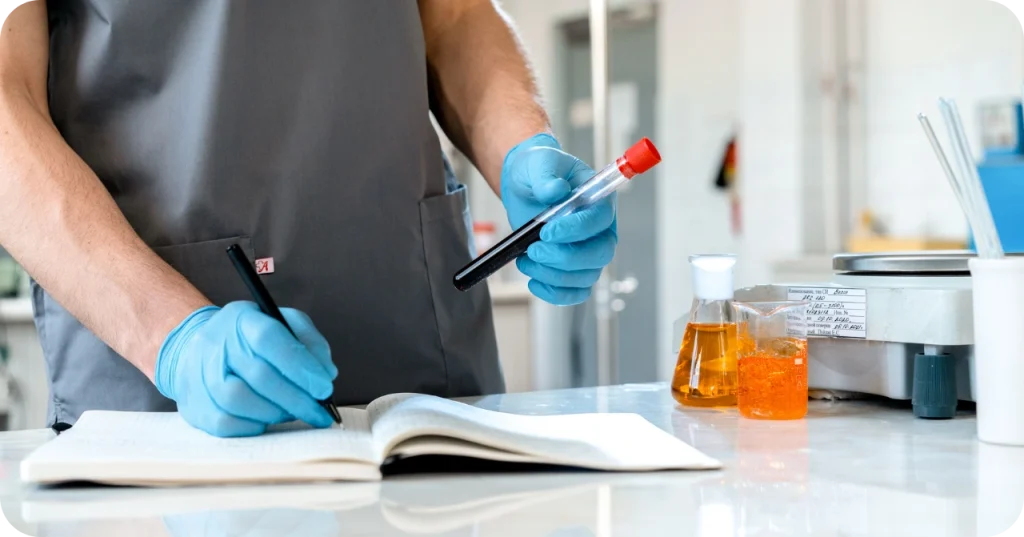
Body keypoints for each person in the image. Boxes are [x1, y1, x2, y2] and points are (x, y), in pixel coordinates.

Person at [0, 1, 618, 437]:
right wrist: (175, 339)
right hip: (151, 366)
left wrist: (522, 146)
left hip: (414, 341)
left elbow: (453, 15)